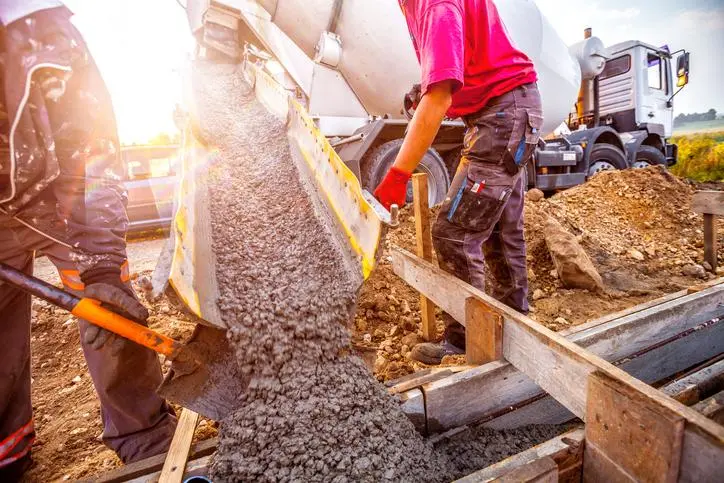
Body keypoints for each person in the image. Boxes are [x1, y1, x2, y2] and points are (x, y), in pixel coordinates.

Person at [0, 2, 176, 480]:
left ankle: (144, 436)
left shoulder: (42, 32)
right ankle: (7, 449)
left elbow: (92, 147)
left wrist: (100, 263)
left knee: (109, 311)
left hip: (59, 195)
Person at [374, 0, 543, 364]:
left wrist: (396, 175)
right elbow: (462, 65)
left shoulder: (434, 4)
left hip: (502, 115)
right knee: (500, 229)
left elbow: (439, 99)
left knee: (454, 233)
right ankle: (515, 325)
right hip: (513, 107)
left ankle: (466, 342)